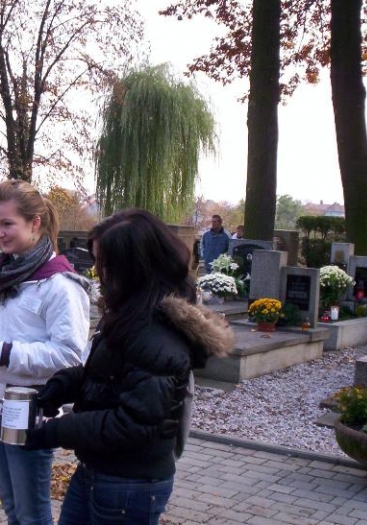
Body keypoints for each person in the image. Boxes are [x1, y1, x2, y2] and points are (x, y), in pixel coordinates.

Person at [24, 208, 233, 525]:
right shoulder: (129, 313)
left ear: (134, 268)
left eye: (105, 265)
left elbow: (133, 423)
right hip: (98, 469)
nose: (98, 274)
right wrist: (63, 385)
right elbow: (110, 375)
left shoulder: (156, 333)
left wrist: (56, 431)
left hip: (128, 484)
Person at [0, 179, 91, 525]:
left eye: (7, 224)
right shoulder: (6, 272)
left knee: (31, 516)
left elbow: (69, 356)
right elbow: (5, 327)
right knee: (13, 509)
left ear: (35, 223)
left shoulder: (60, 285)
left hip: (31, 412)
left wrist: (1, 352)